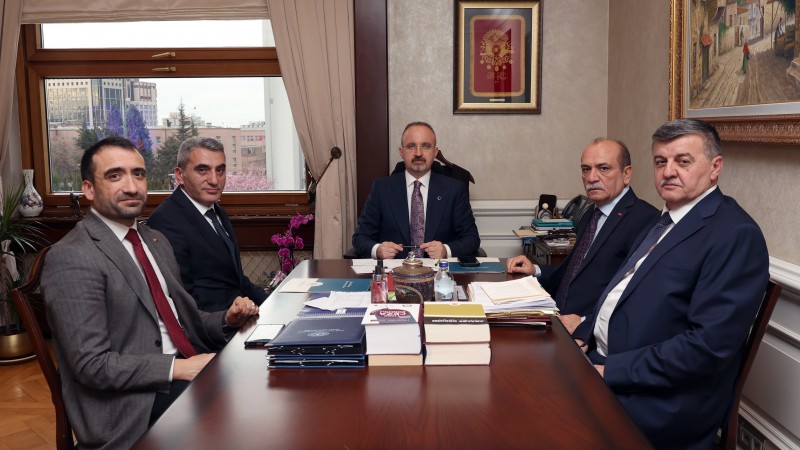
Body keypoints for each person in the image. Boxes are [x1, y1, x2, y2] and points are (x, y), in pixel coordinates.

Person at [40, 137, 260, 449]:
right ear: (89, 189)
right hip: (130, 405)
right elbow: (91, 365)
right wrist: (178, 368)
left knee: (264, 386)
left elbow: (184, 320)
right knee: (246, 418)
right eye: (115, 175)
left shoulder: (154, 240)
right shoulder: (72, 256)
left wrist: (226, 319)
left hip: (183, 369)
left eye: (139, 174)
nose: (131, 187)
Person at [574, 119, 769, 449]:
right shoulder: (665, 219)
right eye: (660, 161)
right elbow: (620, 292)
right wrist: (583, 335)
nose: (668, 172)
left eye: (683, 161)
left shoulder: (735, 235)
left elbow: (706, 348)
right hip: (609, 361)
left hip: (660, 399)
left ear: (715, 167)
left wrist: (608, 370)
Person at [507, 139, 658, 334]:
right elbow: (573, 272)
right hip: (557, 321)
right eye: (586, 169)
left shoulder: (645, 219)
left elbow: (636, 299)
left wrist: (585, 322)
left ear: (626, 174)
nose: (592, 177)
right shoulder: (590, 214)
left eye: (603, 168)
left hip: (589, 334)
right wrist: (535, 270)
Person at [147, 137, 267, 312]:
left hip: (240, 315)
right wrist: (230, 318)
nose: (214, 180)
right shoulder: (165, 221)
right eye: (202, 170)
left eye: (220, 170)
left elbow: (237, 280)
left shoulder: (217, 212)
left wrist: (274, 301)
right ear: (180, 175)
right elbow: (183, 299)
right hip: (215, 324)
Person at [352, 121, 480, 259]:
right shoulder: (381, 189)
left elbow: (472, 238)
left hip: (438, 269)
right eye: (411, 146)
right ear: (402, 152)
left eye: (426, 146)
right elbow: (360, 237)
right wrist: (377, 250)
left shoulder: (454, 189)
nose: (418, 153)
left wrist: (446, 250)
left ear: (435, 152)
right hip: (394, 269)